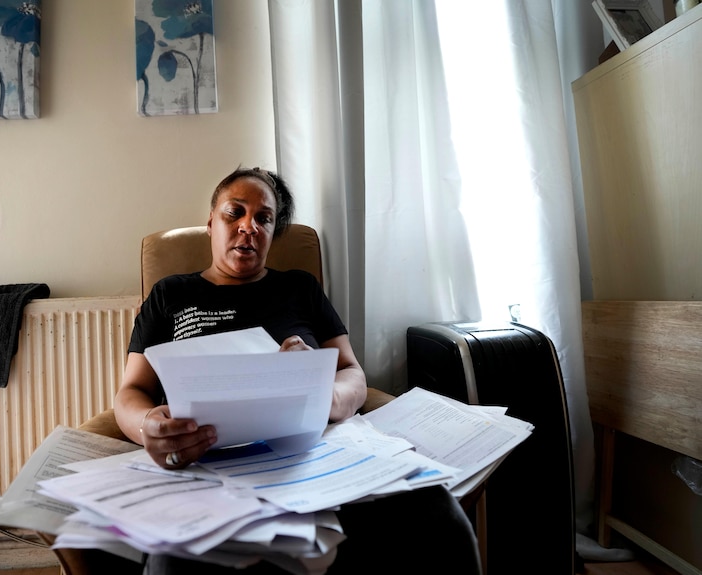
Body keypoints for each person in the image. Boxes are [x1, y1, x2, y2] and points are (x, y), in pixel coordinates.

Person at [114, 167, 481, 574]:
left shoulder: (299, 288)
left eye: (264, 218)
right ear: (210, 224)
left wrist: (323, 391)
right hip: (206, 465)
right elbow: (131, 392)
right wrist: (150, 426)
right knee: (173, 559)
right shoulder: (171, 293)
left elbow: (352, 373)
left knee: (438, 512)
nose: (248, 227)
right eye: (234, 213)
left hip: (314, 455)